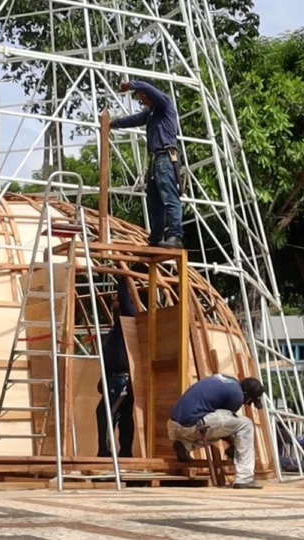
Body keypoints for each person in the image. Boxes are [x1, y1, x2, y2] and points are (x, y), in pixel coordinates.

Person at [109, 80, 183, 248]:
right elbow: (134, 120)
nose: (142, 101)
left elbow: (147, 87)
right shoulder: (151, 113)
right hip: (156, 160)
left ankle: (175, 236)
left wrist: (130, 85)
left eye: (142, 98)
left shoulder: (165, 103)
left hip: (165, 156)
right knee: (155, 201)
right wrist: (112, 124)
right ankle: (156, 238)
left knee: (170, 197)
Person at [166, 374, 265, 489]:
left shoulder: (227, 380)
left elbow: (221, 424)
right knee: (246, 424)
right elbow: (226, 428)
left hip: (174, 424)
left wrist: (232, 442)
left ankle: (185, 445)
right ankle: (244, 478)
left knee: (212, 430)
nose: (246, 404)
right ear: (246, 395)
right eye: (249, 401)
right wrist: (233, 444)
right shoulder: (237, 395)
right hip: (194, 423)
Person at [96, 283, 137, 458]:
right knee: (123, 416)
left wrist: (123, 278)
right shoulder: (117, 327)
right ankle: (125, 453)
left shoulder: (128, 320)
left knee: (105, 412)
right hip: (115, 379)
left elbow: (125, 301)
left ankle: (105, 453)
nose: (113, 300)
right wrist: (102, 378)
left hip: (121, 380)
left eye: (115, 298)